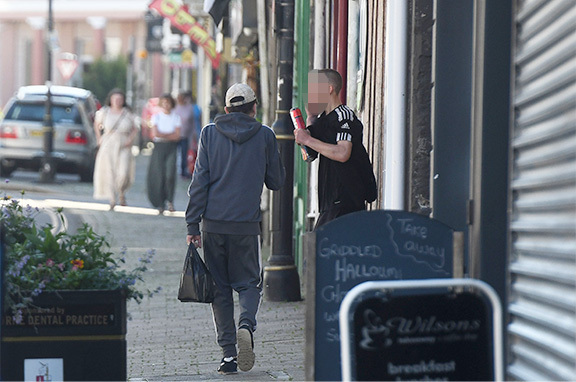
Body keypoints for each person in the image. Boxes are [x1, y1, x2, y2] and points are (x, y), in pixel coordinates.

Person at [185, 83, 285, 375]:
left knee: (220, 289)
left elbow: (199, 182)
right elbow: (276, 181)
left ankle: (228, 356)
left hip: (213, 226)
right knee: (250, 283)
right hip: (247, 225)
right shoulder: (265, 135)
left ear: (226, 109)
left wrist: (193, 224)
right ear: (254, 108)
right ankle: (246, 325)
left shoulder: (209, 134)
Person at [293, 69, 377, 228]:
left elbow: (343, 152)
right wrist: (310, 119)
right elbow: (310, 153)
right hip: (330, 204)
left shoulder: (344, 115)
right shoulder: (323, 120)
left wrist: (308, 138)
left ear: (329, 89)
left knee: (319, 248)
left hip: (346, 202)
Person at [92, 88, 138, 210]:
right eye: (115, 99)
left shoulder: (127, 113)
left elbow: (135, 127)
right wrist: (99, 138)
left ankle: (121, 192)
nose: (117, 101)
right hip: (108, 142)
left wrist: (130, 139)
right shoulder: (104, 112)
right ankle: (112, 198)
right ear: (111, 100)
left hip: (123, 143)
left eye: (120, 99)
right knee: (109, 171)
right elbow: (96, 124)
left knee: (123, 172)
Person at [147, 93, 182, 214]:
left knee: (170, 174)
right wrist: (169, 135)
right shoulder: (156, 117)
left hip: (171, 148)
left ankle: (170, 200)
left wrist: (165, 135)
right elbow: (156, 134)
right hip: (159, 147)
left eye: (169, 103)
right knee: (159, 174)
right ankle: (160, 203)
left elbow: (177, 136)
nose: (166, 105)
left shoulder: (176, 117)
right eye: (164, 103)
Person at [174, 91, 195, 178]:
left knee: (184, 154)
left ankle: (183, 171)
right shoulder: (174, 108)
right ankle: (173, 170)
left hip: (185, 135)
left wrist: (194, 134)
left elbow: (192, 122)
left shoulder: (189, 108)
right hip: (174, 136)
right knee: (174, 154)